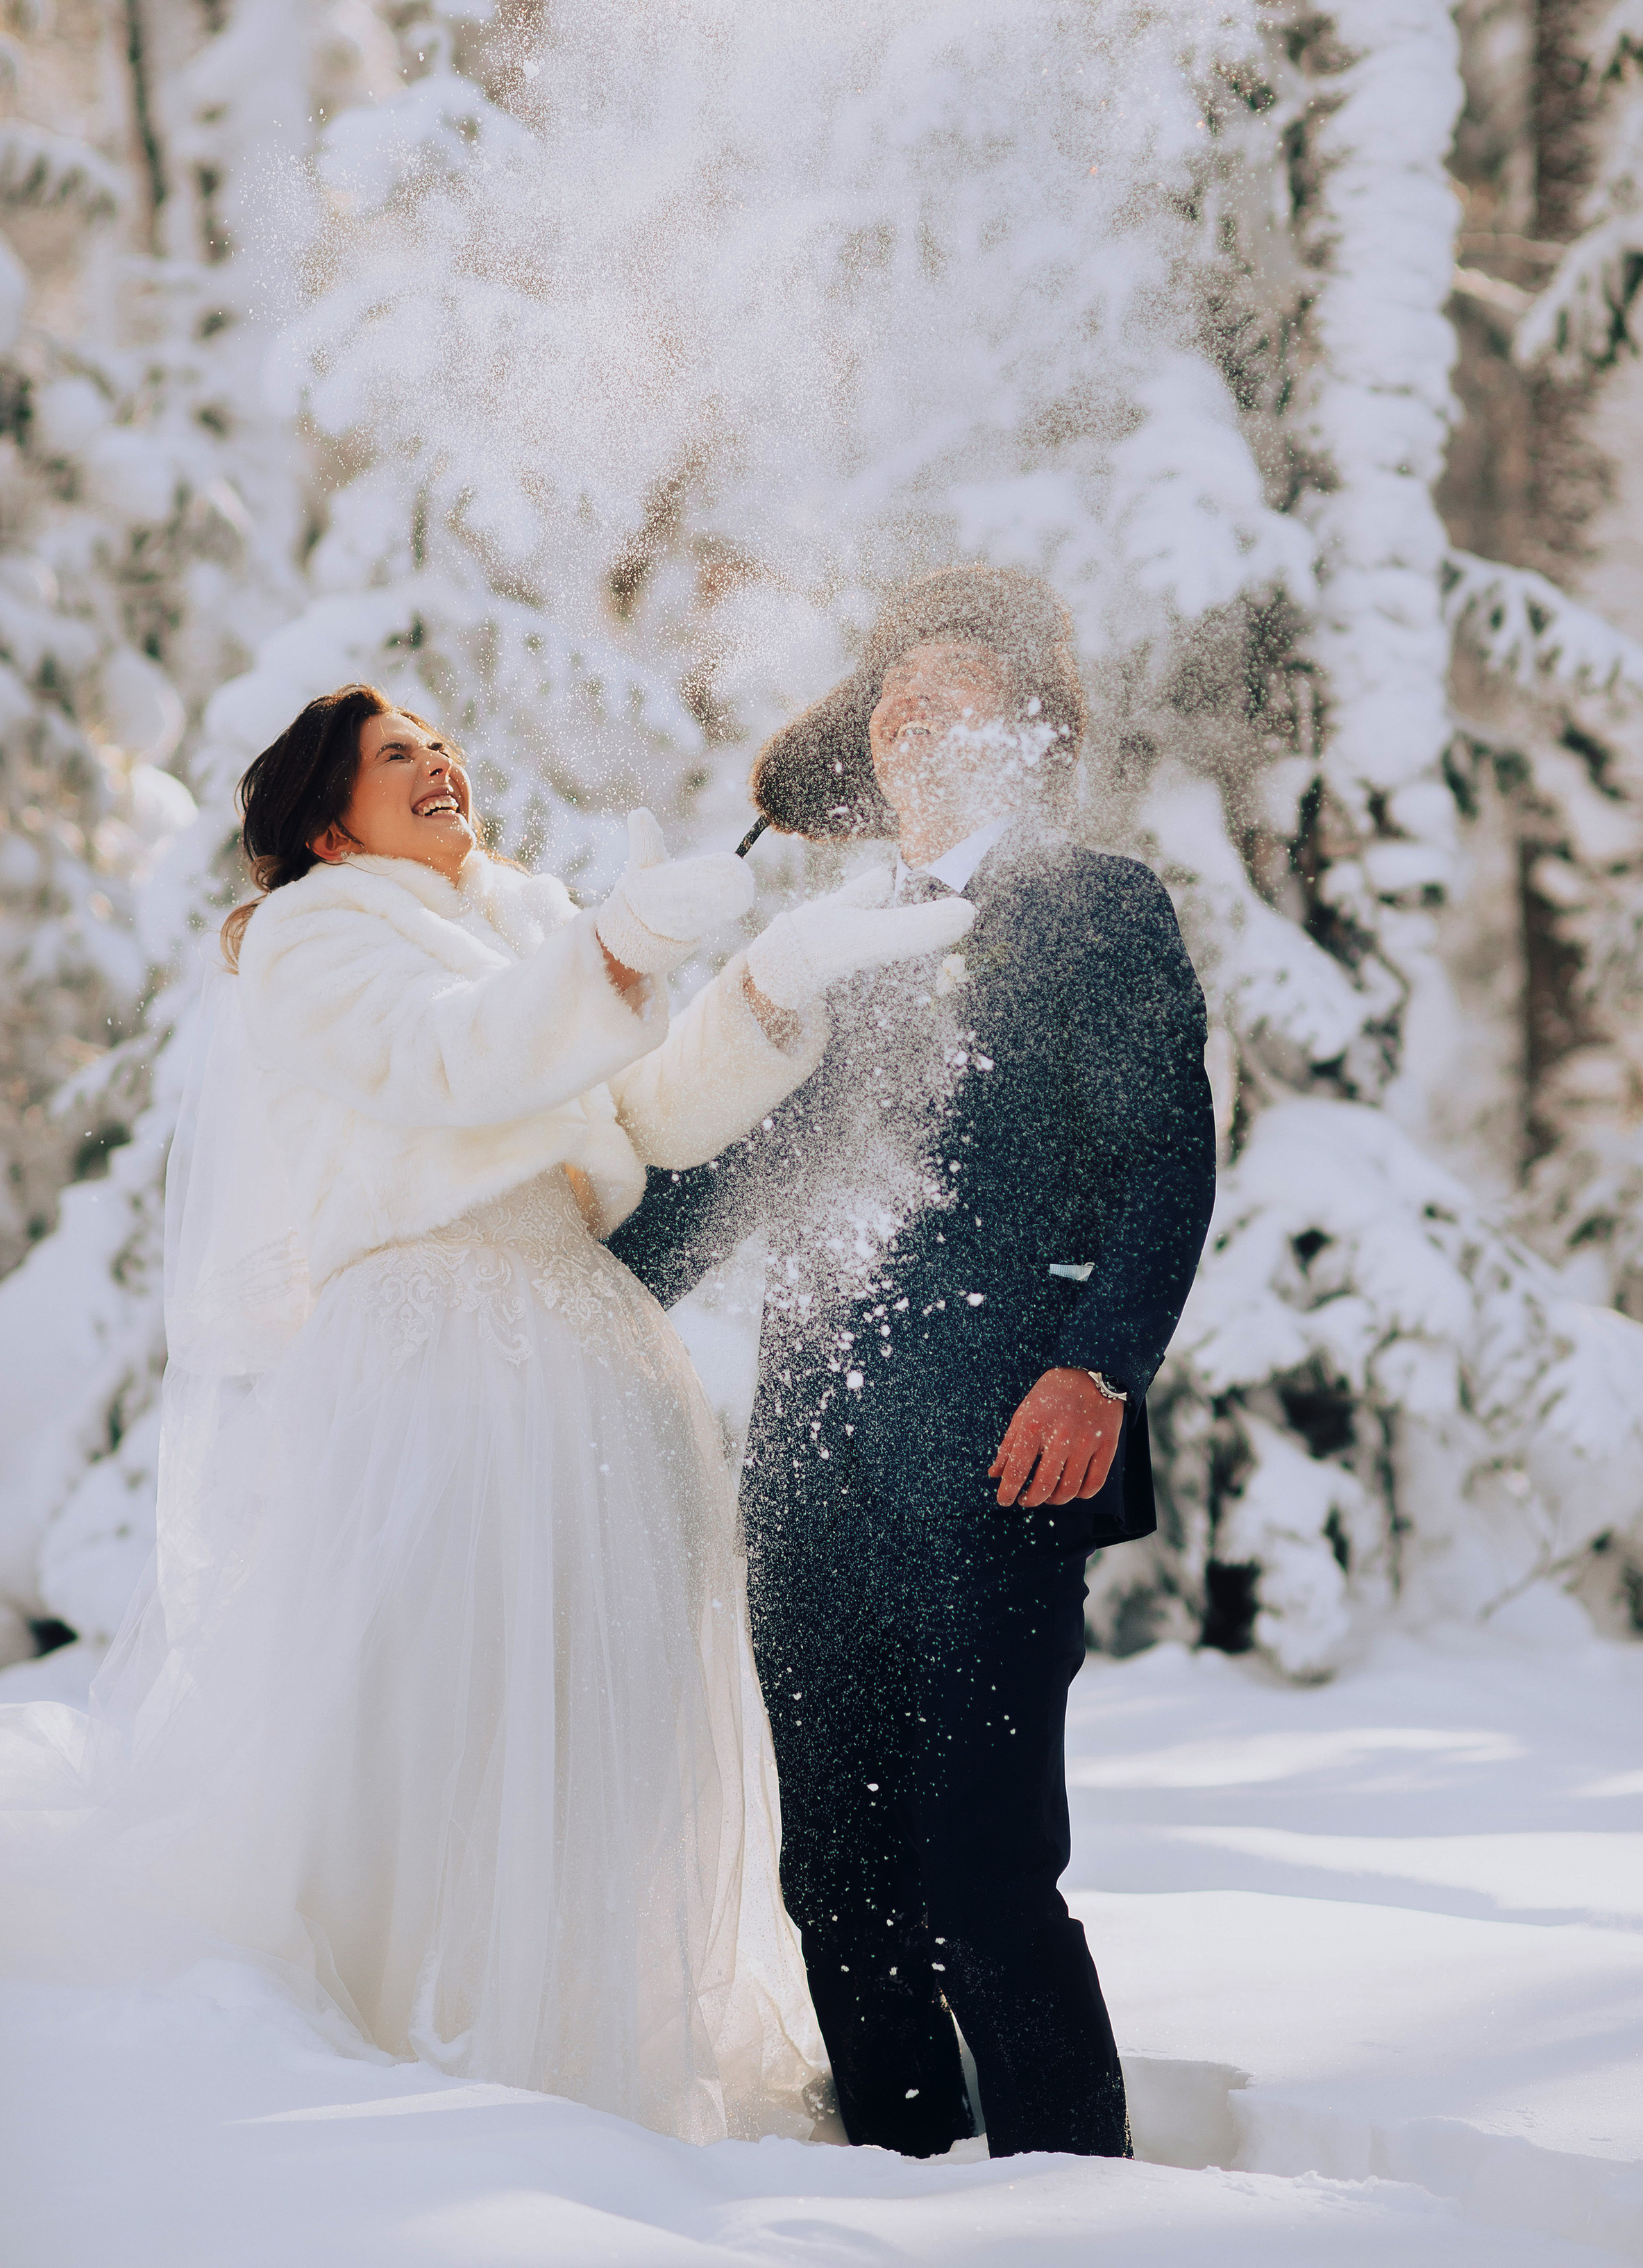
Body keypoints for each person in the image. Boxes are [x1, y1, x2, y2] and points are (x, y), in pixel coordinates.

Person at [0, 682, 971, 2144]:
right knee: (441, 1714)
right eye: (395, 754)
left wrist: (764, 985)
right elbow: (451, 1059)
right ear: (327, 821)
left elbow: (639, 1114)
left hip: (586, 1356)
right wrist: (619, 946)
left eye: (442, 742)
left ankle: (593, 2083)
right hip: (434, 1365)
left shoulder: (524, 916)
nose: (437, 761)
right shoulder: (310, 939)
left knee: (597, 1733)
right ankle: (416, 2090)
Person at [609, 565, 1218, 2161]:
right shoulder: (825, 942)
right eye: (891, 702)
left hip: (1009, 1442)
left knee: (980, 1867)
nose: (912, 724)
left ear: (1032, 733)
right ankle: (903, 2187)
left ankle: (1075, 2200)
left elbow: (1165, 1164)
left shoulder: (1096, 904)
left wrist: (1095, 1370)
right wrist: (552, 1266)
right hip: (810, 1460)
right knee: (838, 1875)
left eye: (951, 698)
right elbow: (732, 1175)